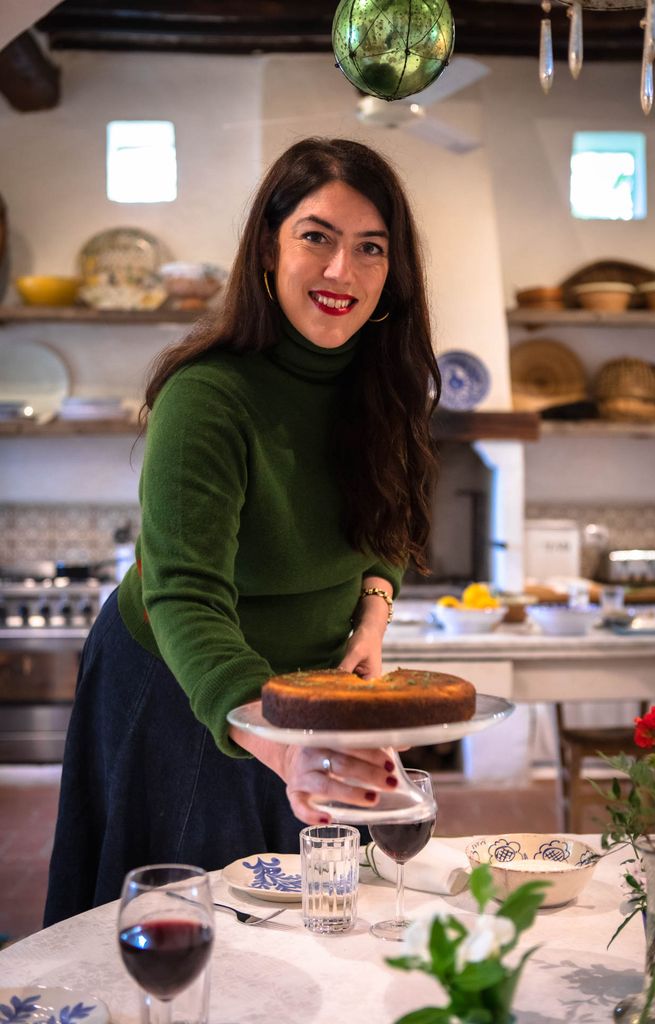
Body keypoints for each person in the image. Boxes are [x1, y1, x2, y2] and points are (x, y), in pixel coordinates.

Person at [44, 137, 440, 925]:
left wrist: (373, 611)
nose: (342, 272)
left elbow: (388, 523)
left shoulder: (381, 383)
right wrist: (280, 745)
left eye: (370, 248)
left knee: (306, 923)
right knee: (188, 926)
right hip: (183, 688)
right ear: (269, 245)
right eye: (316, 237)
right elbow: (184, 597)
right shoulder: (209, 396)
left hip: (304, 690)